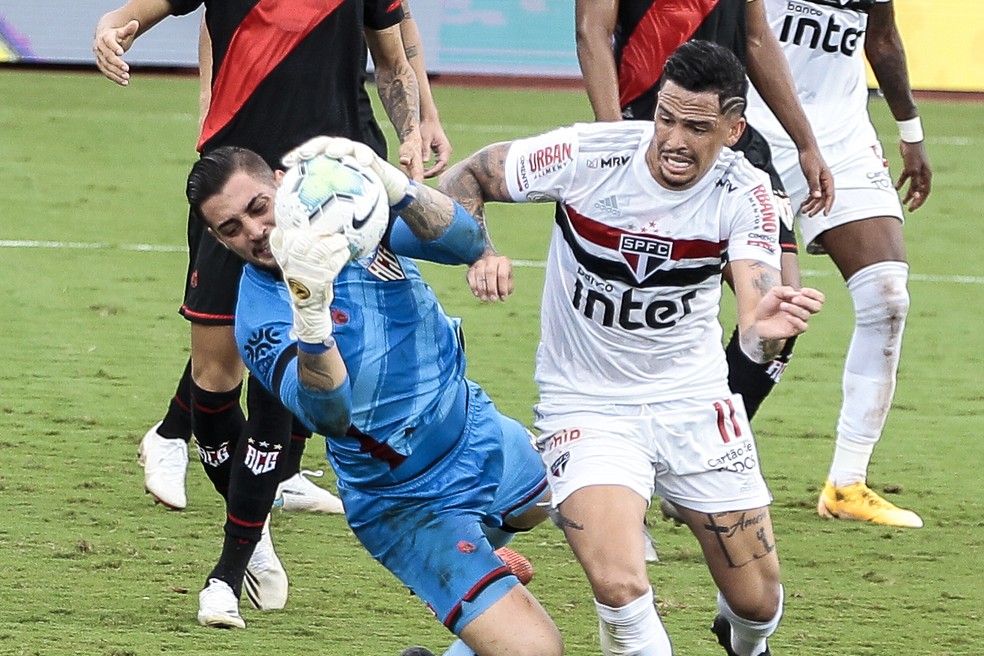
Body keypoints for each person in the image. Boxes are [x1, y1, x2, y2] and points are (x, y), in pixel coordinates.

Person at [441, 40, 825, 656]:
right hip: (585, 405)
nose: (673, 139)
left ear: (733, 130)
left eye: (697, 127)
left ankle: (743, 640)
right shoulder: (588, 153)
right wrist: (480, 250)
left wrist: (764, 326)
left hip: (693, 402)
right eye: (666, 118)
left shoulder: (745, 192)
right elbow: (468, 174)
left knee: (759, 602)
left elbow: (756, 316)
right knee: (620, 587)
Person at [93, 0, 430, 623]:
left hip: (324, 190)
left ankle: (240, 543)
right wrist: (113, 28)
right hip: (236, 189)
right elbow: (143, 10)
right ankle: (220, 482)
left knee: (295, 359)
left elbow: (391, 56)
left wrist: (413, 128)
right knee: (216, 376)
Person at [182, 138, 563, 656]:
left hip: (476, 426)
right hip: (406, 500)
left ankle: (480, 577)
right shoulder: (260, 318)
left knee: (559, 495)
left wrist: (397, 187)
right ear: (216, 237)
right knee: (535, 652)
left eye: (257, 208)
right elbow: (329, 415)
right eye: (232, 229)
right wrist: (312, 318)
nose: (255, 232)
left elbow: (467, 242)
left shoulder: (351, 223)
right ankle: (470, 581)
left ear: (279, 183)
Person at [574, 0, 834, 420]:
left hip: (732, 147)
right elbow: (592, 32)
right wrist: (617, 144)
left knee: (779, 308)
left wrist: (806, 142)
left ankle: (711, 435)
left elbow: (756, 37)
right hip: (652, 141)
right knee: (638, 307)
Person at [744, 0, 932, 528]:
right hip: (753, 128)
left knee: (888, 296)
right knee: (767, 314)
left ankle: (847, 482)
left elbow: (881, 36)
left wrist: (911, 134)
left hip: (843, 137)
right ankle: (705, 461)